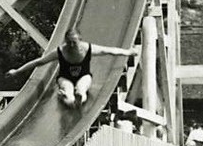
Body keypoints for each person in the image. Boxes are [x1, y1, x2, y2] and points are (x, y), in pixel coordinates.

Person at [7, 29, 136, 109]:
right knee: (68, 89)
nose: (72, 45)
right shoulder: (60, 51)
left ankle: (79, 98)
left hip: (83, 75)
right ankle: (69, 99)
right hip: (65, 77)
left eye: (75, 42)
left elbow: (108, 51)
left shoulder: (87, 49)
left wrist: (128, 52)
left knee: (82, 88)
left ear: (80, 41)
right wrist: (17, 71)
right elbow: (40, 62)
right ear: (66, 41)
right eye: (69, 42)